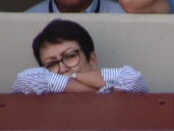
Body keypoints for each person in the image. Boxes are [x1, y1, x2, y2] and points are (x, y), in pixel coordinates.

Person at [11, 19, 147, 94]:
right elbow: (25, 80)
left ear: (92, 59)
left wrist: (74, 77)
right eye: (51, 64)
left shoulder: (116, 87)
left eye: (70, 56)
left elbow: (133, 79)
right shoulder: (39, 92)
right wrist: (94, 90)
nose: (63, 68)